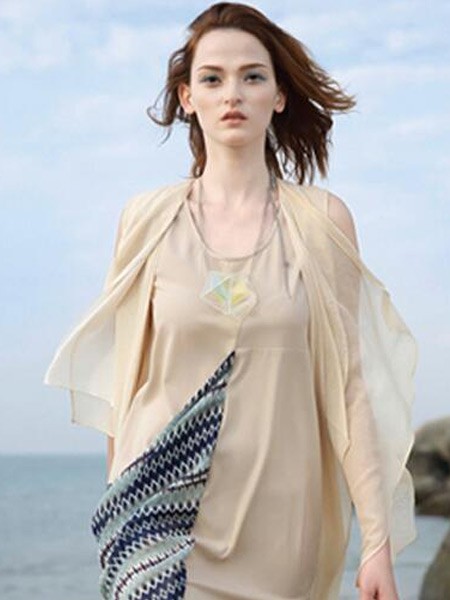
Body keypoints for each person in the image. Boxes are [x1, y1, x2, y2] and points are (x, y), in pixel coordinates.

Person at [43, 3, 418, 599]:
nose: (232, 94)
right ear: (187, 97)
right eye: (212, 79)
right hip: (154, 518)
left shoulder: (323, 221)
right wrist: (119, 498)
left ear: (279, 96)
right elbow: (126, 382)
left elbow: (350, 388)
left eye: (253, 76)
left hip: (279, 529)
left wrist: (377, 543)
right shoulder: (145, 219)